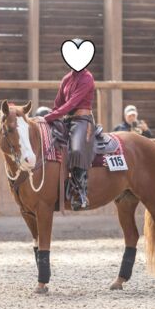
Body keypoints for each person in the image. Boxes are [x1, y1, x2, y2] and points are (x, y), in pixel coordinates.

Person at [43, 38, 96, 210]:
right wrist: (51, 116)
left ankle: (80, 193)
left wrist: (52, 116)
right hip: (66, 120)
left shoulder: (88, 78)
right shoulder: (66, 78)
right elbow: (58, 102)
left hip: (82, 120)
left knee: (77, 149)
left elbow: (72, 103)